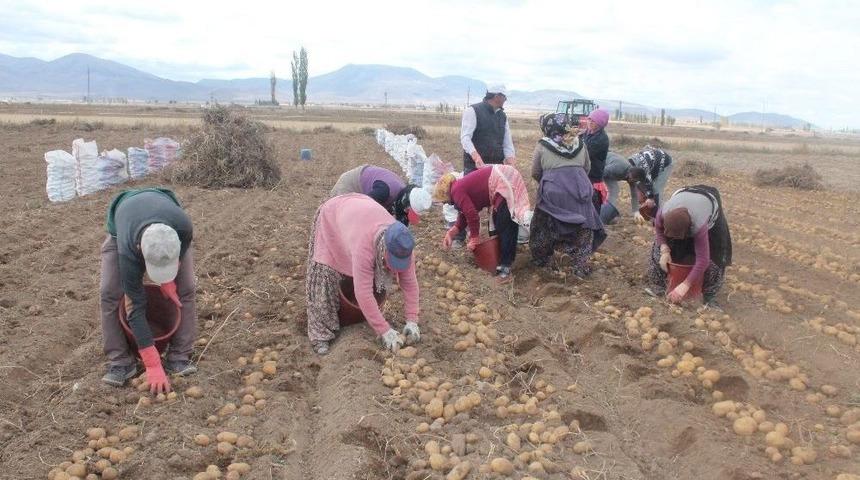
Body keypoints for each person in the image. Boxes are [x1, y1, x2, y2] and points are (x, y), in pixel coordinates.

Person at [100, 188, 197, 393]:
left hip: (165, 223)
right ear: (138, 248)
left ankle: (179, 357)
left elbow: (179, 254)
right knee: (110, 293)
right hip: (123, 225)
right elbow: (135, 306)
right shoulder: (127, 249)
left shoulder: (183, 226)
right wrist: (152, 363)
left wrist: (169, 280)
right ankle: (121, 362)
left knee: (186, 289)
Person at [306, 194, 420, 355]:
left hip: (360, 212)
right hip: (334, 214)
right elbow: (363, 292)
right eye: (392, 261)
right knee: (326, 271)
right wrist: (385, 331)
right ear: (383, 249)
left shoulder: (404, 245)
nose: (395, 268)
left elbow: (409, 284)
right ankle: (320, 335)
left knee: (362, 273)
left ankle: (345, 311)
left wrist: (412, 320)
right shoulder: (364, 248)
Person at [530, 113, 602, 278]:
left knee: (543, 226)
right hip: (580, 189)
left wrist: (547, 182)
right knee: (584, 227)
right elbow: (587, 167)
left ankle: (543, 259)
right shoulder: (580, 142)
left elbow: (535, 171)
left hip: (553, 190)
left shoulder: (543, 145)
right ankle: (579, 266)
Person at [434, 164, 531, 282]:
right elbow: (465, 213)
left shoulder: (456, 190)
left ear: (445, 193)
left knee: (504, 224)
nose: (445, 204)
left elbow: (472, 215)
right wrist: (451, 232)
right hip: (502, 179)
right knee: (499, 222)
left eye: (444, 201)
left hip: (503, 180)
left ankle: (505, 269)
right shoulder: (458, 188)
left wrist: (474, 238)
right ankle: (502, 257)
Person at [647, 185, 732, 306]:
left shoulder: (699, 226)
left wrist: (685, 285)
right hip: (683, 193)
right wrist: (665, 250)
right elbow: (659, 230)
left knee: (717, 256)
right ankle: (659, 288)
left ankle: (709, 297)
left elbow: (703, 260)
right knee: (657, 248)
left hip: (708, 203)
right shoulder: (663, 213)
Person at [330, 164, 433, 225]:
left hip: (371, 189)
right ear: (405, 202)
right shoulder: (384, 192)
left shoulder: (403, 196)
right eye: (408, 210)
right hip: (352, 184)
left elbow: (401, 222)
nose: (407, 212)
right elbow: (362, 207)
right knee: (347, 221)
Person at [601, 146, 674, 223]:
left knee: (656, 190)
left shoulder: (635, 173)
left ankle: (657, 216)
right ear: (631, 175)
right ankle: (604, 213)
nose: (632, 182)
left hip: (666, 162)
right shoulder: (618, 168)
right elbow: (599, 173)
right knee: (610, 190)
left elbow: (635, 194)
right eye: (633, 180)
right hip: (601, 162)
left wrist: (636, 211)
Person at [460, 84, 515, 174]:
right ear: (497, 96)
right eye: (504, 97)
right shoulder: (472, 110)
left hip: (496, 168)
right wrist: (476, 157)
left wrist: (511, 162)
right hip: (474, 167)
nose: (506, 99)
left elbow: (507, 143)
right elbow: (465, 138)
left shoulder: (503, 116)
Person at [580, 109, 610, 211]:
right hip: (585, 175)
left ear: (600, 123)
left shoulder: (601, 139)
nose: (590, 122)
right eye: (589, 119)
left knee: (593, 209)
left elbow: (583, 153)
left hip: (593, 178)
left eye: (593, 120)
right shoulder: (587, 133)